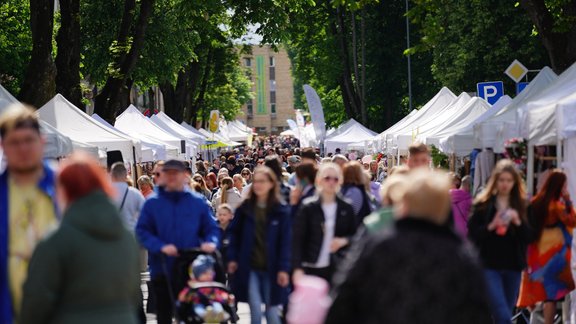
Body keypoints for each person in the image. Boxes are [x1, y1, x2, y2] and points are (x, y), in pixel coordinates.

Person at [326, 169, 492, 324]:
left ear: (404, 203)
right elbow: (478, 313)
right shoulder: (462, 256)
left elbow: (344, 299)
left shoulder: (379, 245)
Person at [20, 153, 141, 324]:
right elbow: (134, 295)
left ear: (64, 190)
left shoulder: (56, 241)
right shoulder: (126, 238)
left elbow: (35, 303)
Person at [136, 159, 220, 324]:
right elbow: (142, 231)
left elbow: (212, 228)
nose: (173, 177)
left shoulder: (197, 202)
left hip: (191, 269)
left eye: (177, 173)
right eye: (169, 173)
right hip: (162, 268)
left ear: (185, 176)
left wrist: (210, 243)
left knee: (192, 315)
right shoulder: (153, 203)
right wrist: (160, 246)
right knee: (164, 315)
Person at [0, 105, 59, 323]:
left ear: (41, 141)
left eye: (29, 140)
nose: (23, 148)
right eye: (15, 142)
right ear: (3, 146)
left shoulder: (68, 188)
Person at [467, 159, 533, 324]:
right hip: (489, 265)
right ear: (495, 180)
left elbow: (530, 237)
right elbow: (473, 234)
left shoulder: (522, 205)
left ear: (515, 182)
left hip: (513, 266)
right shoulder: (483, 204)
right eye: (502, 180)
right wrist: (491, 226)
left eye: (509, 180)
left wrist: (518, 222)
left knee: (504, 313)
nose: (505, 184)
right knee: (502, 314)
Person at [227, 166, 291, 324]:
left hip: (273, 267)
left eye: (262, 181)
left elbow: (286, 243)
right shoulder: (245, 209)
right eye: (256, 181)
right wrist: (232, 258)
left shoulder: (281, 210)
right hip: (250, 266)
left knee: (271, 310)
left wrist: (284, 268)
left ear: (271, 184)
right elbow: (233, 235)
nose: (258, 185)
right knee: (255, 308)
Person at [517, 170, 575, 324]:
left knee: (538, 290)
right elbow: (572, 221)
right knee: (551, 295)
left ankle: (535, 317)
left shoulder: (535, 203)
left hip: (536, 253)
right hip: (554, 255)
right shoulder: (557, 206)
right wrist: (568, 201)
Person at [292, 163, 356, 284]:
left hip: (336, 268)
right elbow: (297, 239)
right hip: (310, 266)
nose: (331, 182)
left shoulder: (346, 208)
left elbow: (356, 236)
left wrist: (344, 241)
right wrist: (297, 268)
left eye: (335, 179)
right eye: (327, 178)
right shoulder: (308, 207)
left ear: (340, 181)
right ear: (319, 180)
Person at [178, 255, 230, 323]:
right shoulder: (193, 285)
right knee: (198, 309)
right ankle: (207, 316)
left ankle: (220, 315)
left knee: (217, 306)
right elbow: (182, 298)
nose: (209, 276)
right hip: (198, 304)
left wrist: (226, 297)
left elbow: (220, 293)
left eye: (211, 273)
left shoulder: (213, 285)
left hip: (213, 303)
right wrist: (187, 294)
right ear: (197, 275)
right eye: (205, 274)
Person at [110, 162, 145, 231]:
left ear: (112, 175)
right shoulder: (135, 193)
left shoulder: (104, 194)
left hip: (111, 235)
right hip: (131, 234)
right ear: (126, 175)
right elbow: (146, 214)